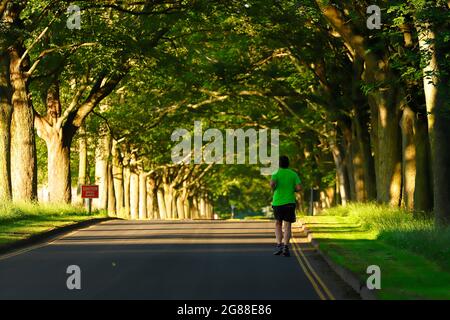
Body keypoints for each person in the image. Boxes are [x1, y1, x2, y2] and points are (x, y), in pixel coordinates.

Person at [270, 156, 302, 257]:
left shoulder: (276, 173)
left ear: (279, 164)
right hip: (289, 202)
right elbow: (299, 187)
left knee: (278, 224)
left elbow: (272, 184)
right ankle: (286, 247)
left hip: (278, 203)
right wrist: (293, 190)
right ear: (288, 163)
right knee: (287, 225)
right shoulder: (293, 174)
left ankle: (279, 245)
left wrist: (274, 187)